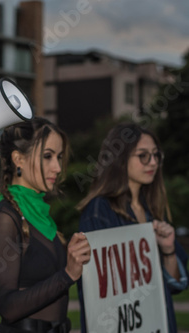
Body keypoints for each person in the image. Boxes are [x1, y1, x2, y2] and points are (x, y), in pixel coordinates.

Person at [0, 118, 91, 333]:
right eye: (48, 156)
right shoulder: (5, 217)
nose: (57, 167)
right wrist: (67, 274)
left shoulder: (39, 213)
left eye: (59, 157)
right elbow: (8, 307)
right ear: (18, 159)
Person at [76, 122, 188, 333]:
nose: (153, 162)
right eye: (143, 155)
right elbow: (94, 293)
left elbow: (174, 286)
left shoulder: (152, 210)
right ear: (120, 159)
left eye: (156, 155)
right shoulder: (99, 211)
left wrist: (169, 251)